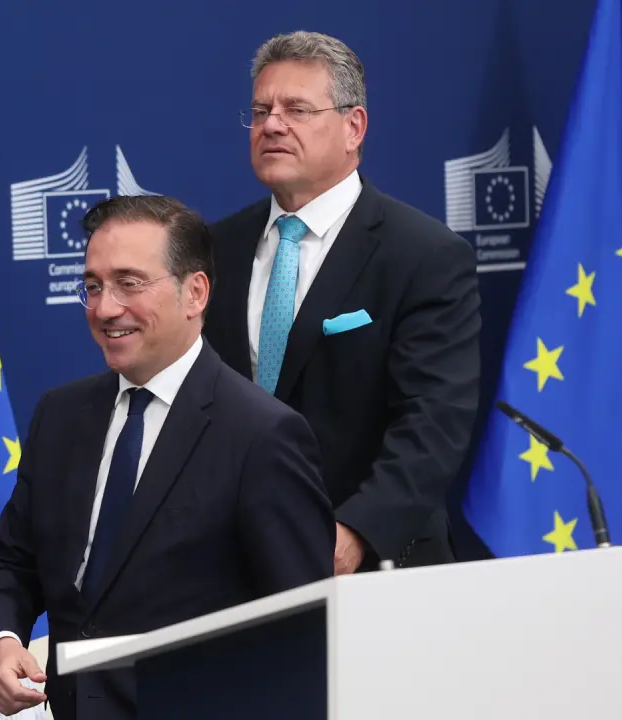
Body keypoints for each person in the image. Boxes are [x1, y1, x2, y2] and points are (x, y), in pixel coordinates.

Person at [0, 195, 335, 720]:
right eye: (93, 286)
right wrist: (0, 644)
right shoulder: (60, 416)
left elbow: (301, 635)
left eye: (129, 283)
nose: (104, 308)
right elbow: (12, 565)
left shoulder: (263, 435)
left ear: (195, 293)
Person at [203, 30, 481, 574]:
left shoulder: (422, 254)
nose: (272, 125)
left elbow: (433, 422)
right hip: (235, 568)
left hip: (373, 568)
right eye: (260, 111)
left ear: (354, 127)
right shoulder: (215, 250)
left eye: (297, 109)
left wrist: (357, 531)